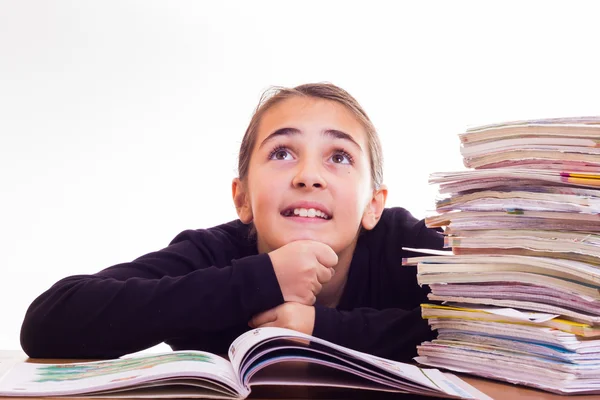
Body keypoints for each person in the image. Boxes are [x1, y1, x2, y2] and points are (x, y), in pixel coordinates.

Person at [20, 83, 443, 361]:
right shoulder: (215, 255)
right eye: (282, 153)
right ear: (242, 199)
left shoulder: (406, 245)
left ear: (373, 205)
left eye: (339, 157)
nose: (308, 176)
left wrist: (321, 329)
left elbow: (501, 322)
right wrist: (261, 280)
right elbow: (48, 322)